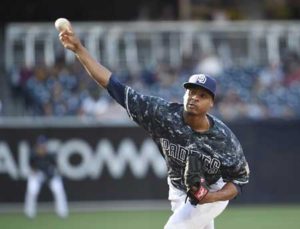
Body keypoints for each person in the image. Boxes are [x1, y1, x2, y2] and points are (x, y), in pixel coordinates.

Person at [58, 24, 250, 229]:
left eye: (202, 95)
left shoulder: (223, 138)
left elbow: (239, 180)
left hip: (213, 189)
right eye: (191, 92)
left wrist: (212, 197)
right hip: (178, 190)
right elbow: (113, 85)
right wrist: (79, 49)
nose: (194, 97)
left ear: (211, 103)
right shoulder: (162, 114)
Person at [24, 135, 69, 218]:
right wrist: (35, 173)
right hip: (38, 175)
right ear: (37, 145)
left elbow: (56, 167)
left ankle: (62, 212)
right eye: (40, 145)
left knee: (58, 189)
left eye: (43, 145)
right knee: (32, 190)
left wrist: (54, 173)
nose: (42, 147)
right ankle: (29, 212)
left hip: (50, 174)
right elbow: (31, 167)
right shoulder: (33, 154)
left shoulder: (50, 155)